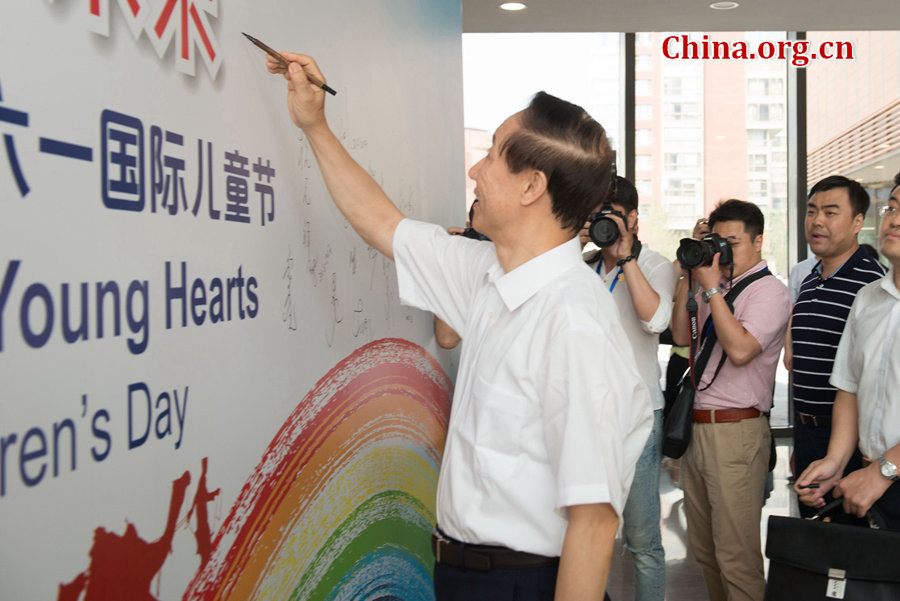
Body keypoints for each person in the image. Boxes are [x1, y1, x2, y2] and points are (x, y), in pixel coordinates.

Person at [264, 53, 652, 601]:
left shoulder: (573, 322)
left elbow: (593, 523)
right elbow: (383, 224)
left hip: (527, 584)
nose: (476, 170)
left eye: (492, 154)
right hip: (465, 575)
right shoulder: (488, 274)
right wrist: (314, 125)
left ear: (530, 186)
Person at [670, 199, 790, 601]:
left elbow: (740, 349)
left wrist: (709, 289)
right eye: (715, 242)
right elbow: (682, 338)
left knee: (737, 557)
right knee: (704, 553)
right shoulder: (714, 288)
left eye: (732, 242)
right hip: (699, 429)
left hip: (737, 431)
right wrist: (691, 277)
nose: (722, 251)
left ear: (758, 242)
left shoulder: (770, 292)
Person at [580, 176, 676, 601]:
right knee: (586, 536)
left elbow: (656, 322)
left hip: (638, 416)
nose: (602, 223)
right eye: (594, 215)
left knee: (642, 542)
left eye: (611, 215)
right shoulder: (581, 266)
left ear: (632, 218)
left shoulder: (655, 265)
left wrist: (626, 259)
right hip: (587, 414)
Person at [795, 175, 900, 530]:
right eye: (893, 208)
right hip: (869, 477)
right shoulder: (869, 298)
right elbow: (849, 388)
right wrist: (836, 462)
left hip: (882, 473)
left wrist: (885, 470)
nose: (895, 219)